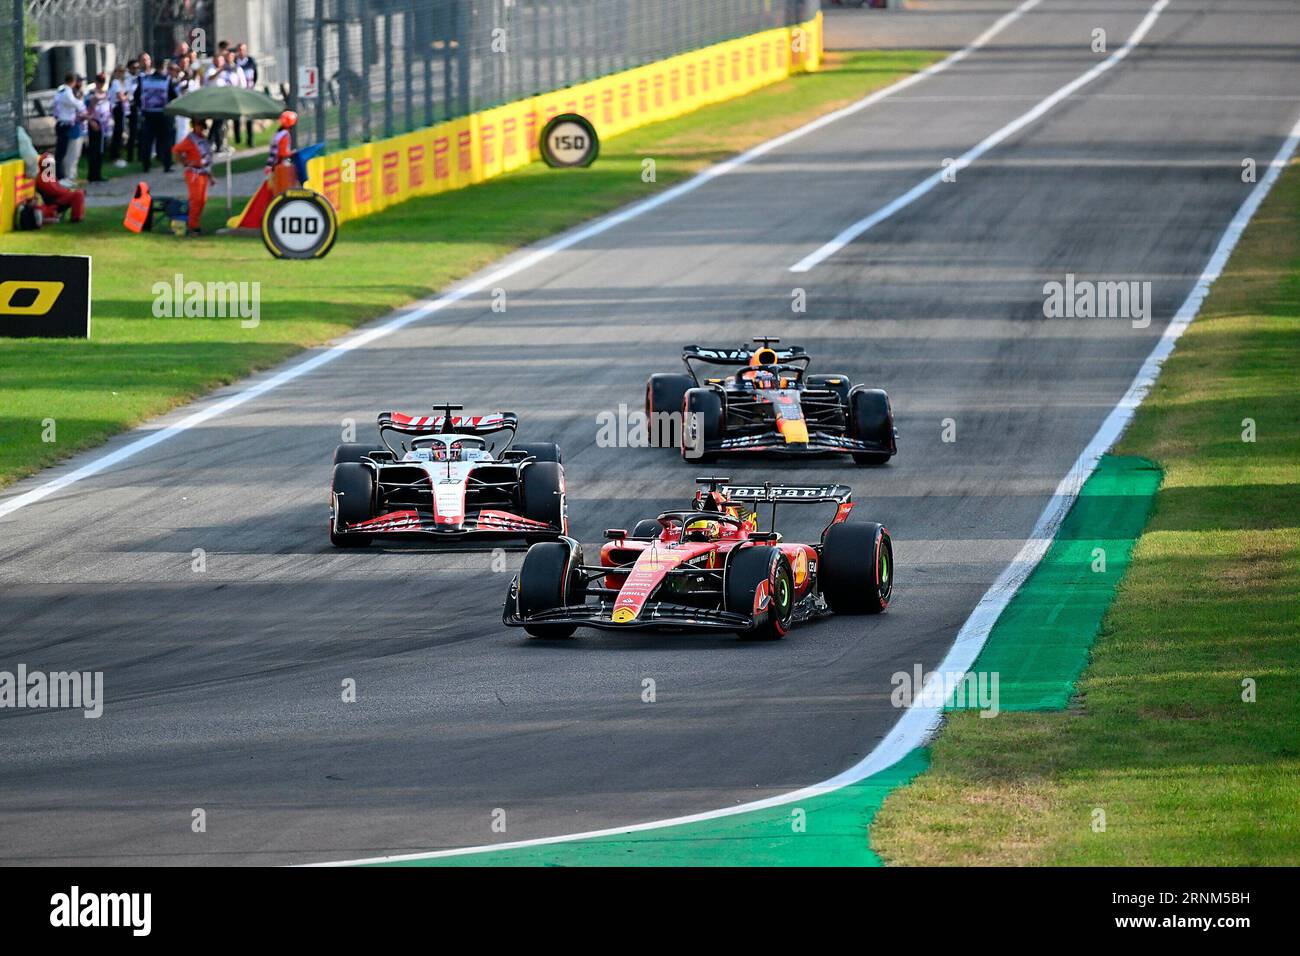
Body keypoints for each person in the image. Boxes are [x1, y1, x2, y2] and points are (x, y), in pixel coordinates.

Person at [135, 56, 177, 173]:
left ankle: (146, 166)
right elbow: (174, 96)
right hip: (163, 114)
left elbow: (136, 95)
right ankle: (166, 165)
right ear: (163, 67)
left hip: (148, 114)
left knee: (147, 142)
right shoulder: (166, 80)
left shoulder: (145, 80)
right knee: (166, 141)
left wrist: (142, 108)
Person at [172, 117, 214, 235]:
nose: (200, 128)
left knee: (202, 200)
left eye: (202, 126)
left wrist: (211, 176)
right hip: (193, 174)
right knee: (196, 200)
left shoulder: (203, 139)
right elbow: (176, 150)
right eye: (198, 126)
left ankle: (195, 223)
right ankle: (193, 226)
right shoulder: (190, 140)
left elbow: (206, 159)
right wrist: (185, 162)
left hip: (203, 173)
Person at [51, 73, 85, 181]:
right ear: (73, 81)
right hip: (64, 124)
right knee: (61, 153)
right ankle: (60, 177)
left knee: (62, 152)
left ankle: (61, 176)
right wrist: (82, 102)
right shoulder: (67, 92)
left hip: (63, 124)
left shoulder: (61, 90)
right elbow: (77, 104)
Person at [83, 73, 113, 183]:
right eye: (99, 81)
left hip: (104, 125)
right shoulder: (91, 93)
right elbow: (86, 109)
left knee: (101, 150)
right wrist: (90, 121)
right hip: (94, 123)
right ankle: (92, 175)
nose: (101, 83)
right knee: (94, 150)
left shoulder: (106, 93)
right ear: (96, 81)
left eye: (103, 81)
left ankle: (98, 174)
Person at [265, 110, 298, 195]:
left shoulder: (278, 133)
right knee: (283, 190)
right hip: (280, 164)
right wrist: (292, 153)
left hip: (273, 164)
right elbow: (283, 153)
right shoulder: (285, 135)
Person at [233, 43, 258, 145]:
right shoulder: (235, 62)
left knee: (249, 117)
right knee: (236, 116)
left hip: (249, 92)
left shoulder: (251, 61)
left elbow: (255, 75)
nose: (241, 51)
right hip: (237, 93)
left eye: (243, 49)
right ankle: (238, 138)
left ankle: (250, 139)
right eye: (239, 50)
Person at [107, 64, 131, 167]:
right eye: (120, 72)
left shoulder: (118, 82)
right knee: (118, 131)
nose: (122, 74)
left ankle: (116, 155)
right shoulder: (116, 82)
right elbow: (120, 97)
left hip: (118, 107)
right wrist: (127, 96)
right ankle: (115, 156)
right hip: (118, 106)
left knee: (119, 131)